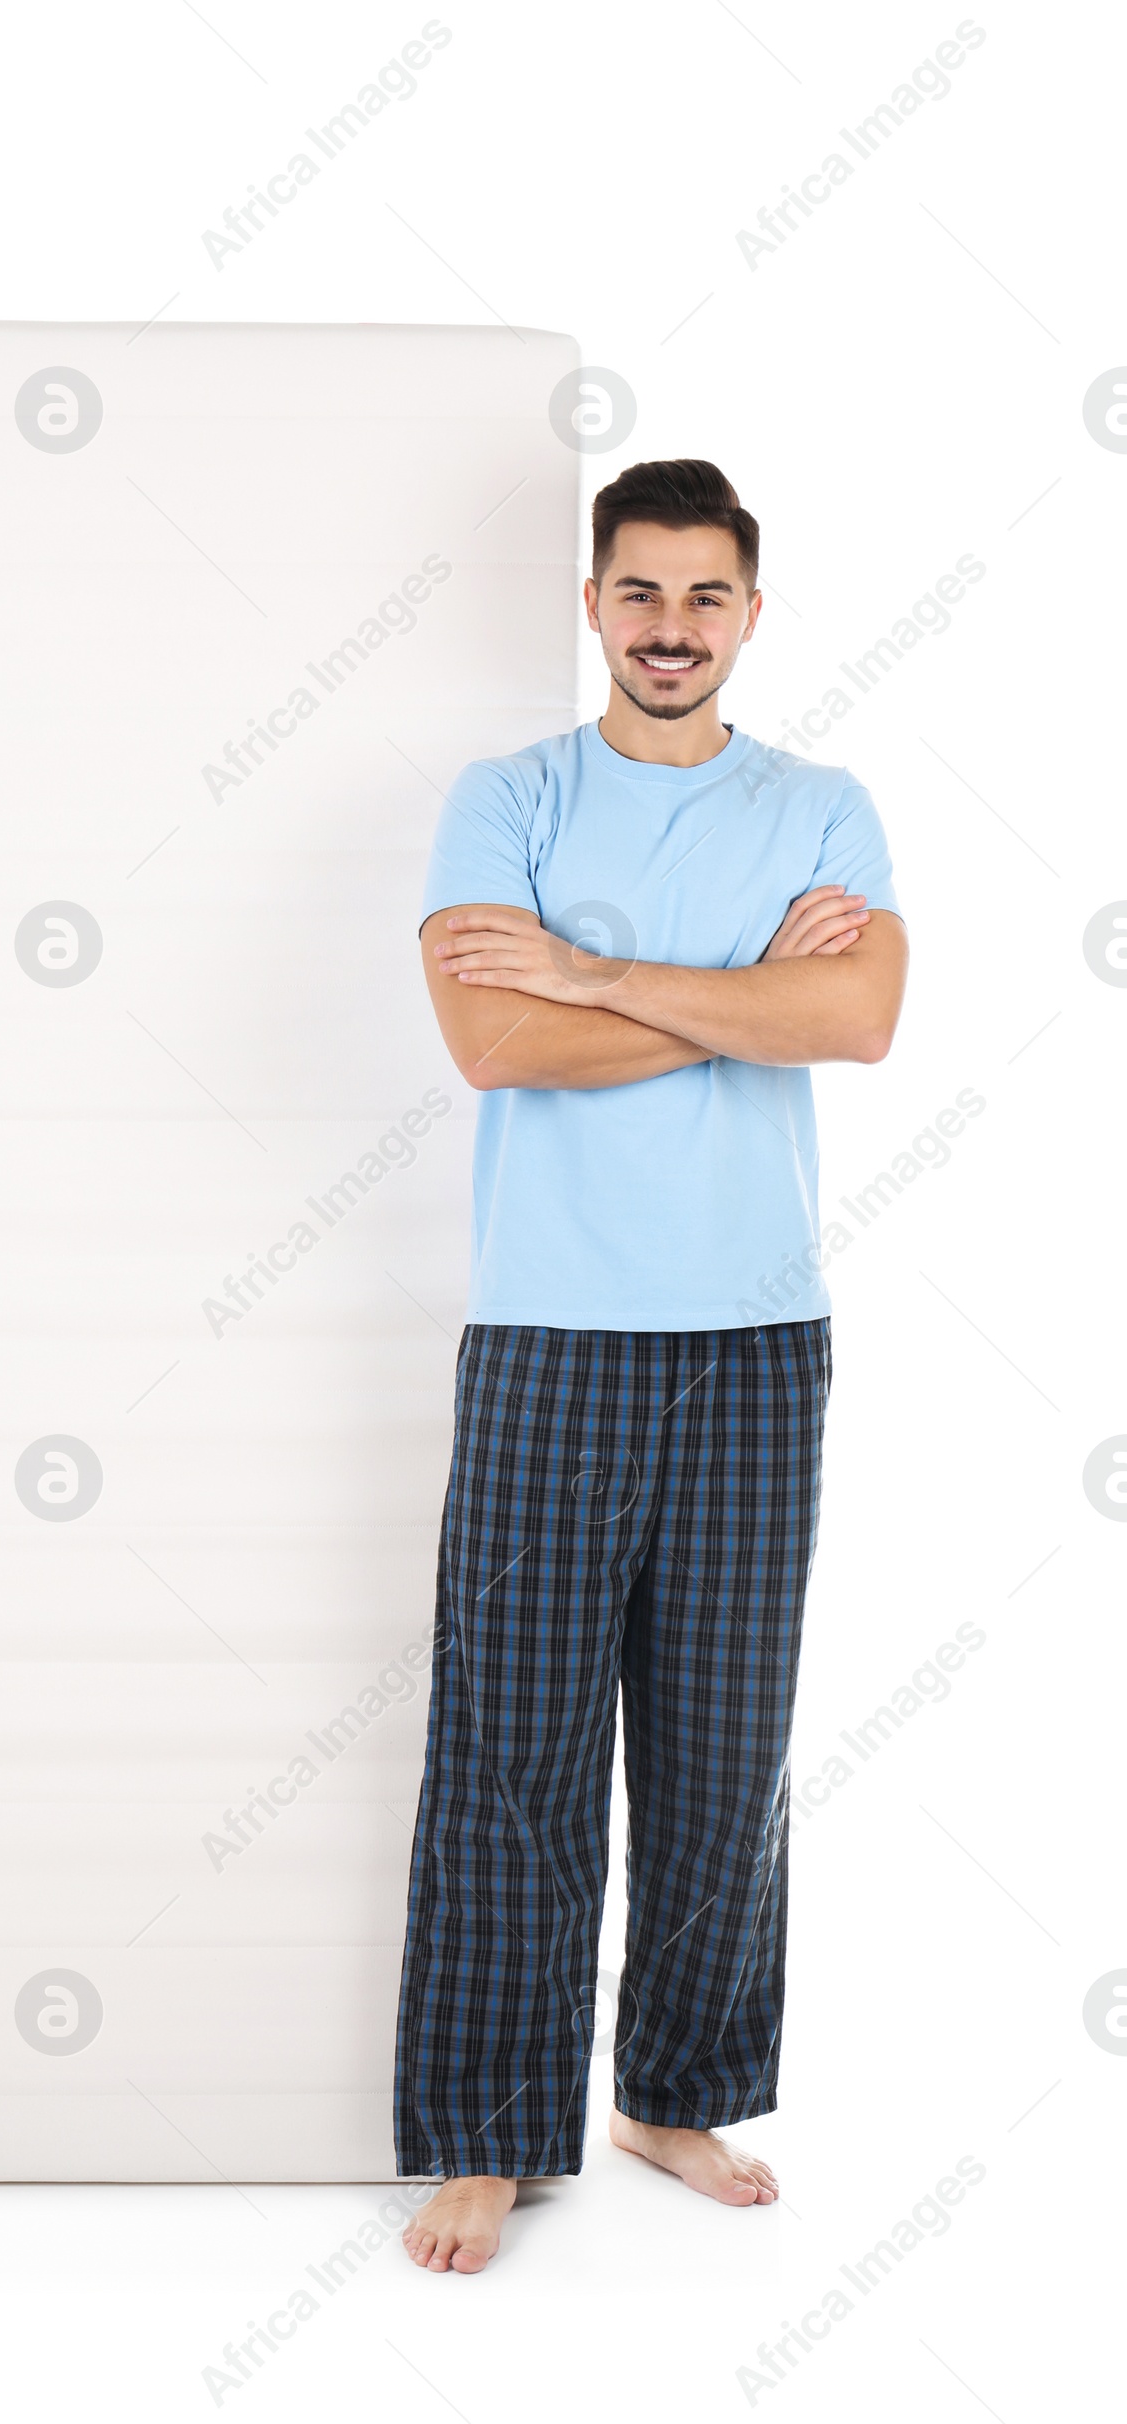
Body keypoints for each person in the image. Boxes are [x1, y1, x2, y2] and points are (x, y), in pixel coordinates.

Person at [393, 458, 908, 2273]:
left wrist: (597, 974)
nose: (671, 627)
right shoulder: (506, 798)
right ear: (595, 605)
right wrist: (721, 986)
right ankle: (484, 2131)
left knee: (723, 1743)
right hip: (552, 1332)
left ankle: (671, 2098)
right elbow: (489, 1044)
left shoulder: (824, 802)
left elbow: (853, 1014)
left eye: (706, 597)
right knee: (512, 1746)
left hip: (761, 1339)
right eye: (641, 594)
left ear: (749, 614)